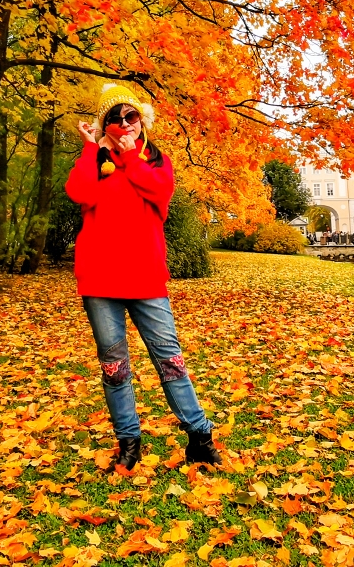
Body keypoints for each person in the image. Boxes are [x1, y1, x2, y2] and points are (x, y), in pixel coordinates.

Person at [66, 84, 220, 471]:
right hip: (99, 280)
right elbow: (79, 192)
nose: (123, 124)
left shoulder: (154, 162)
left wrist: (130, 157)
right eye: (114, 119)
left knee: (170, 360)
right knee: (114, 367)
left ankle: (199, 436)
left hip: (146, 278)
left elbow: (159, 190)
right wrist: (91, 149)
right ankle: (128, 441)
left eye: (130, 116)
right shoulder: (95, 164)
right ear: (105, 126)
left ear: (142, 121)